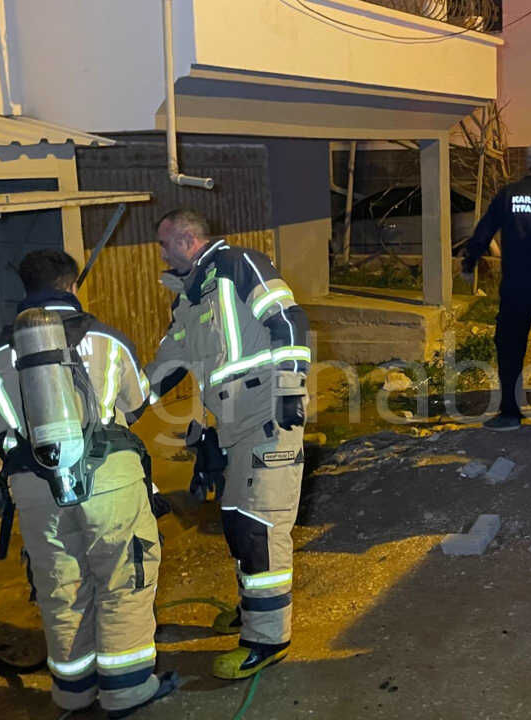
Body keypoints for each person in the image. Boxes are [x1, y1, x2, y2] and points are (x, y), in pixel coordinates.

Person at [0, 250, 176, 718]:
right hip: (107, 475)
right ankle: (126, 690)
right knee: (124, 577)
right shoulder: (107, 339)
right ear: (71, 286)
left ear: (25, 289)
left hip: (33, 485)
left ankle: (73, 694)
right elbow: (135, 402)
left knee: (61, 587)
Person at [145, 209, 311, 680]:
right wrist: (120, 408)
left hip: (266, 416)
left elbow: (289, 321)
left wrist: (290, 394)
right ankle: (253, 609)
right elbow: (167, 364)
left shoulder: (240, 265)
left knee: (261, 527)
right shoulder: (190, 299)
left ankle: (267, 640)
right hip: (231, 426)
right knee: (239, 523)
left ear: (186, 239)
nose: (160, 254)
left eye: (164, 244)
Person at [461, 143, 531, 430]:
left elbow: (484, 230)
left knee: (510, 349)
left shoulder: (508, 194)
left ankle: (511, 413)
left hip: (516, 288)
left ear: (527, 164)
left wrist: (469, 262)